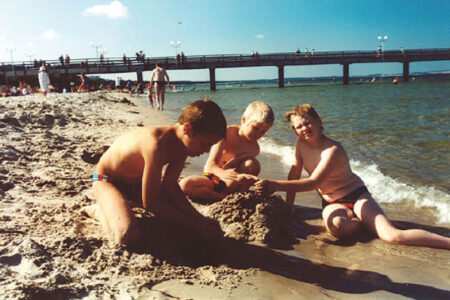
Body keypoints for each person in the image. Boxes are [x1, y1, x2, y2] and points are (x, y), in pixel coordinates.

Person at [254, 104, 450, 250]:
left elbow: (314, 182)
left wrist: (273, 185)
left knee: (392, 236)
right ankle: (365, 223)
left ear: (319, 122)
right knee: (336, 228)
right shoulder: (300, 144)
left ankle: (446, 242)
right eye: (298, 126)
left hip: (356, 196)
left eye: (307, 123)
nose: (303, 128)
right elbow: (295, 173)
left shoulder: (333, 149)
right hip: (332, 202)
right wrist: (289, 207)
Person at [80, 99, 227, 245]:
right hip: (107, 180)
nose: (206, 151)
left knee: (182, 221)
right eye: (204, 144)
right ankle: (99, 211)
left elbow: (170, 186)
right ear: (187, 128)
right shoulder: (155, 144)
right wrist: (196, 224)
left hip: (136, 183)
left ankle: (120, 205)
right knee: (127, 234)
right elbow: (150, 202)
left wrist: (199, 218)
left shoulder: (183, 144)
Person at [180, 101, 274, 201]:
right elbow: (209, 166)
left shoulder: (254, 148)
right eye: (255, 128)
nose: (258, 134)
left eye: (263, 131)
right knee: (186, 185)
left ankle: (235, 195)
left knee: (252, 164)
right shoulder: (226, 133)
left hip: (232, 183)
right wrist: (226, 174)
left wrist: (249, 180)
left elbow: (240, 168)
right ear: (244, 119)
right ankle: (222, 197)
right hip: (214, 178)